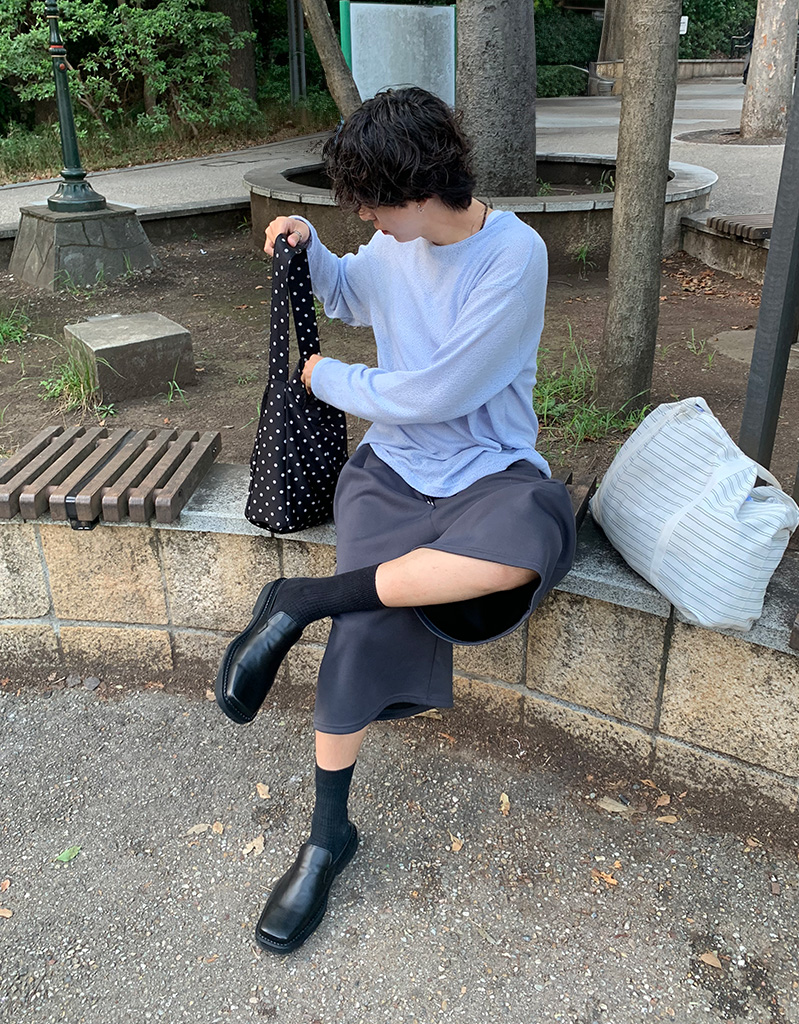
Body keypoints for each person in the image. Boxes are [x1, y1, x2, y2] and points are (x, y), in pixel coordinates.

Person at [215, 87, 576, 955]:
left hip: (488, 468)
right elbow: (349, 293)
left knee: (529, 543)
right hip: (395, 470)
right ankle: (326, 838)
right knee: (365, 632)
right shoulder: (396, 238)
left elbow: (439, 392)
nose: (365, 218)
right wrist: (307, 243)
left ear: (419, 191)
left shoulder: (513, 257)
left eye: (371, 203)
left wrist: (325, 379)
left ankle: (303, 598)